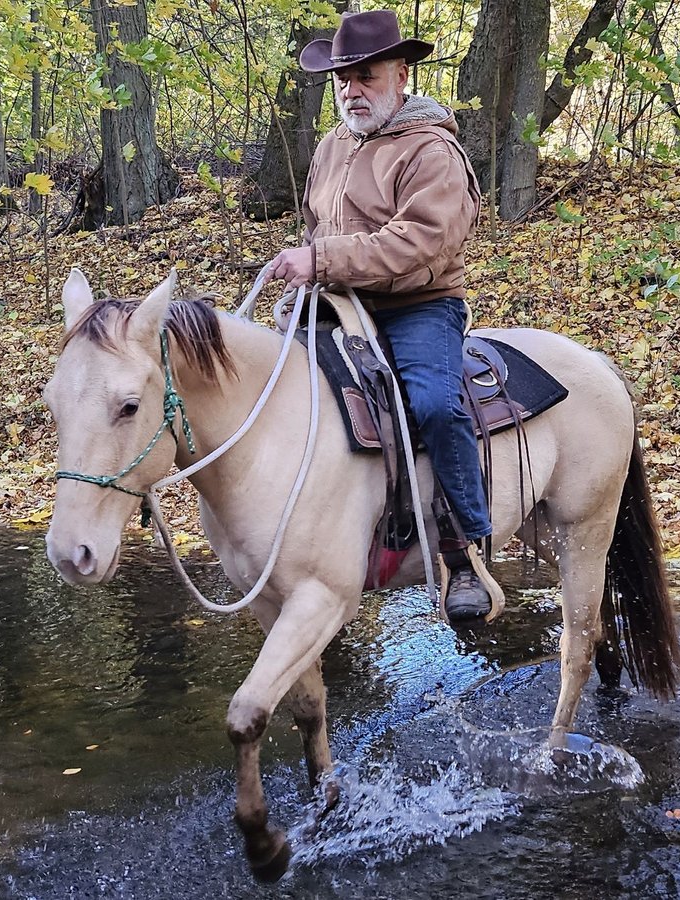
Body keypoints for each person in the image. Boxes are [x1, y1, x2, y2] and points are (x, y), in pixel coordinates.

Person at [265, 9, 493, 622]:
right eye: (343, 78)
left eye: (365, 75)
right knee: (272, 391)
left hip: (418, 305)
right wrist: (312, 272)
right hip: (341, 304)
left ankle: (463, 549)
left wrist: (322, 257)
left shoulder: (432, 151)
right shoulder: (331, 146)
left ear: (401, 75)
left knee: (435, 405)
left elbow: (417, 244)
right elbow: (318, 226)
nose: (351, 90)